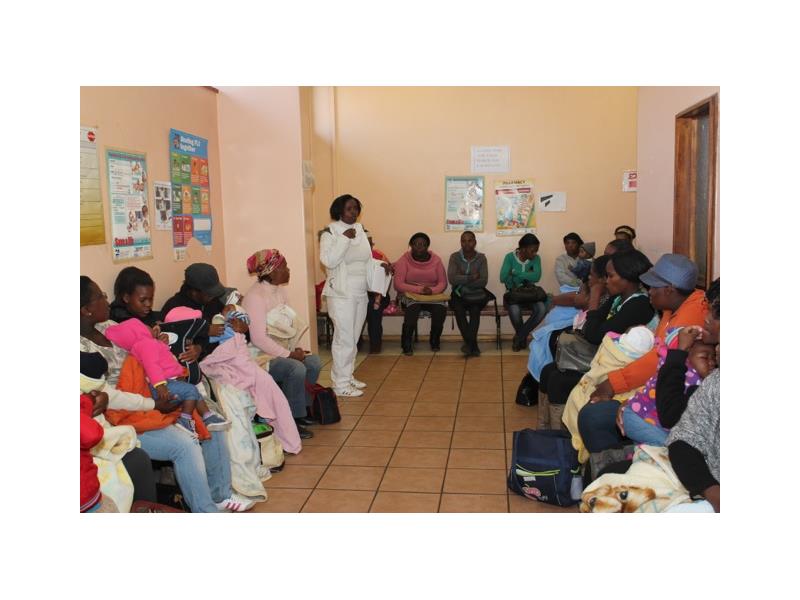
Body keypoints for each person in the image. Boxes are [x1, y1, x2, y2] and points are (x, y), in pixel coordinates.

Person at [80, 276, 253, 512]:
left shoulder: (109, 326)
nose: (106, 300)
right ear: (86, 310)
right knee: (185, 444)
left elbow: (143, 349)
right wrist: (153, 403)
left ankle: (219, 496)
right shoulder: (81, 350)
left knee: (212, 422)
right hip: (123, 416)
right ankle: (206, 510)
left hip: (152, 391)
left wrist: (156, 342)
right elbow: (104, 397)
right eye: (100, 296)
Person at [576, 254, 708, 456]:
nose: (649, 292)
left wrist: (612, 384)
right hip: (660, 389)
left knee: (593, 415)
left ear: (669, 289)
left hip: (673, 407)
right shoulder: (672, 306)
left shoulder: (689, 320)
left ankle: (615, 463)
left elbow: (657, 361)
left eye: (653, 287)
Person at [539, 249, 657, 413]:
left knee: (558, 380)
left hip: (619, 366)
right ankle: (545, 426)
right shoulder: (618, 298)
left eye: (611, 276)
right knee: (548, 371)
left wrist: (594, 295)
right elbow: (590, 327)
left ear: (627, 277)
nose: (606, 281)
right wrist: (594, 321)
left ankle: (564, 427)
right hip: (602, 357)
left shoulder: (639, 304)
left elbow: (594, 335)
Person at [105, 311, 228, 438]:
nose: (151, 327)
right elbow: (152, 366)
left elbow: (161, 357)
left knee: (194, 393)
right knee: (191, 390)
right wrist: (160, 385)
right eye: (145, 326)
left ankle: (208, 416)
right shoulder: (146, 344)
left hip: (169, 381)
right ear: (139, 331)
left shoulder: (149, 343)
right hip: (162, 385)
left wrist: (161, 344)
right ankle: (185, 420)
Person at [241, 249, 321, 436]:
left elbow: (288, 325)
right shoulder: (255, 297)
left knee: (314, 362)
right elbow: (258, 339)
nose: (288, 270)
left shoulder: (279, 290)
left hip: (279, 350)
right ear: (271, 271)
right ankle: (290, 420)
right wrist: (290, 355)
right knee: (295, 368)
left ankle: (303, 410)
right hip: (259, 356)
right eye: (283, 267)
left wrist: (295, 348)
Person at [665, 279, 720, 512]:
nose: (706, 319)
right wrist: (712, 492)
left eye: (715, 314)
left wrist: (678, 354)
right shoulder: (715, 382)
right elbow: (683, 437)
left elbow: (670, 415)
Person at [319, 194, 373, 396]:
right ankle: (340, 385)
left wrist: (381, 267)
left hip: (361, 291)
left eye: (356, 208)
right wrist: (344, 239)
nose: (353, 212)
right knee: (344, 338)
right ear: (339, 210)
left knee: (354, 337)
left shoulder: (360, 230)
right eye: (349, 209)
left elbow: (366, 260)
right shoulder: (330, 233)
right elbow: (329, 261)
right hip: (341, 293)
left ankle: (347, 376)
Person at [393, 232, 448, 355]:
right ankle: (406, 343)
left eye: (423, 244)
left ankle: (434, 340)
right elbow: (398, 284)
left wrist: (432, 291)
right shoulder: (404, 260)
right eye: (416, 244)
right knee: (413, 308)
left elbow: (443, 283)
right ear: (411, 245)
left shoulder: (436, 260)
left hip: (431, 295)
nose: (419, 247)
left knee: (440, 309)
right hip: (409, 295)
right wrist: (420, 290)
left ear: (427, 246)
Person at [160, 263, 230, 361]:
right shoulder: (174, 309)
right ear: (194, 292)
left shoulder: (212, 301)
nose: (213, 296)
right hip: (200, 362)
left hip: (222, 353)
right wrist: (200, 346)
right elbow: (172, 343)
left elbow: (228, 327)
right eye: (210, 294)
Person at [500, 233, 547, 352]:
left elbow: (536, 276)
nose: (535, 253)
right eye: (532, 250)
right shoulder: (509, 257)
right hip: (514, 295)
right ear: (523, 249)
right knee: (515, 310)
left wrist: (516, 273)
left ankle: (519, 337)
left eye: (536, 250)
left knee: (542, 309)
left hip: (530, 294)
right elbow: (503, 277)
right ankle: (522, 337)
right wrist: (527, 275)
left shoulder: (536, 259)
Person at [447, 231, 489, 357]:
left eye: (470, 240)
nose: (467, 243)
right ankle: (473, 345)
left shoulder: (481, 258)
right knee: (459, 310)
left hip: (476, 294)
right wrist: (471, 277)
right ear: (460, 242)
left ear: (475, 242)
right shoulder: (454, 257)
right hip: (458, 294)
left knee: (475, 310)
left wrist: (462, 277)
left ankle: (469, 345)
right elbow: (452, 279)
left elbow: (483, 281)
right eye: (463, 241)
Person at [364, 230, 393, 354]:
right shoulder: (351, 258)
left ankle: (375, 345)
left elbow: (388, 276)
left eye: (370, 244)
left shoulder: (379, 256)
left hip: (378, 294)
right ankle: (355, 343)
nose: (369, 247)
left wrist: (377, 298)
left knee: (373, 309)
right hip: (358, 294)